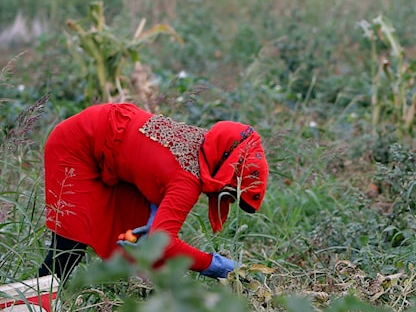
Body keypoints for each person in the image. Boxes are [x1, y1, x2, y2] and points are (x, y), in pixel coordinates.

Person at [38, 102, 269, 281]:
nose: (227, 198)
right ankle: (36, 307)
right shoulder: (187, 180)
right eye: (231, 191)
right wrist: (218, 266)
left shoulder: (205, 145)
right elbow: (164, 242)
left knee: (141, 242)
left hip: (105, 141)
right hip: (76, 145)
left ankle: (145, 303)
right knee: (70, 243)